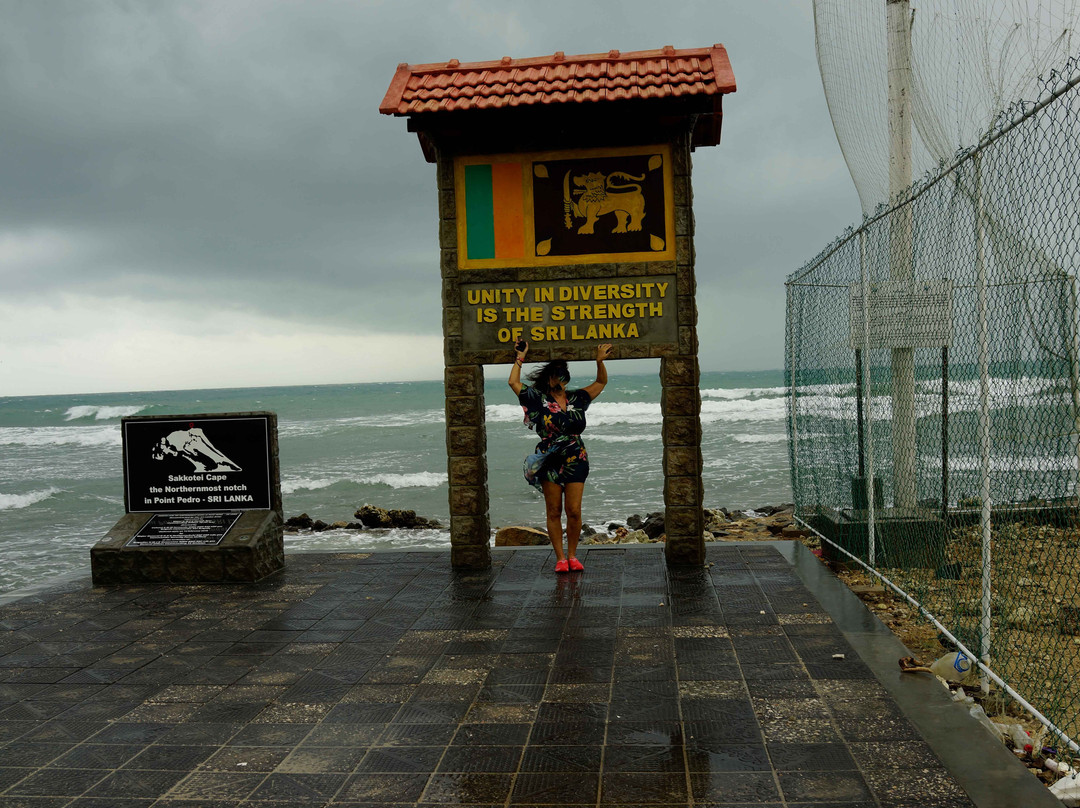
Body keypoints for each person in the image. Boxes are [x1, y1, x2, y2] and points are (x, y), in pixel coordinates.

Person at [508, 342, 613, 573]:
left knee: (574, 510)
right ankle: (560, 558)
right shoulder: (538, 398)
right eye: (555, 376)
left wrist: (599, 361)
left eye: (562, 376)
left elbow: (601, 382)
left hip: (576, 456)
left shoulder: (578, 399)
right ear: (548, 379)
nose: (559, 381)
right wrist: (520, 357)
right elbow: (514, 383)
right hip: (550, 458)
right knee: (554, 510)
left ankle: (573, 555)